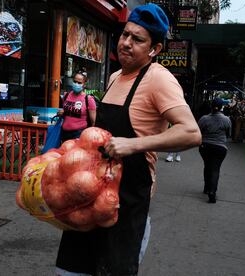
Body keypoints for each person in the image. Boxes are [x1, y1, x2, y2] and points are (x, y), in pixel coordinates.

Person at [55, 4, 201, 275]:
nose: (126, 43)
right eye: (125, 35)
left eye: (137, 39)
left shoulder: (159, 78)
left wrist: (132, 144)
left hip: (127, 203)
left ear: (154, 49)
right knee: (69, 270)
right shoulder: (113, 77)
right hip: (92, 194)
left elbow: (191, 132)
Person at [198, 98, 231, 203]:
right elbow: (228, 134)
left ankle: (206, 187)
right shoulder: (226, 119)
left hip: (205, 146)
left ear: (211, 106)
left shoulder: (204, 119)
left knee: (207, 166)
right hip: (220, 147)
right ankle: (212, 191)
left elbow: (199, 132)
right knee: (215, 169)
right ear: (222, 107)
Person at [58, 70, 97, 142]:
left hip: (79, 134)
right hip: (64, 133)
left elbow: (93, 122)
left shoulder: (88, 99)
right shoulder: (66, 95)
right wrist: (60, 113)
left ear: (84, 84)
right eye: (75, 81)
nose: (76, 84)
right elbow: (65, 113)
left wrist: (90, 137)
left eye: (79, 83)